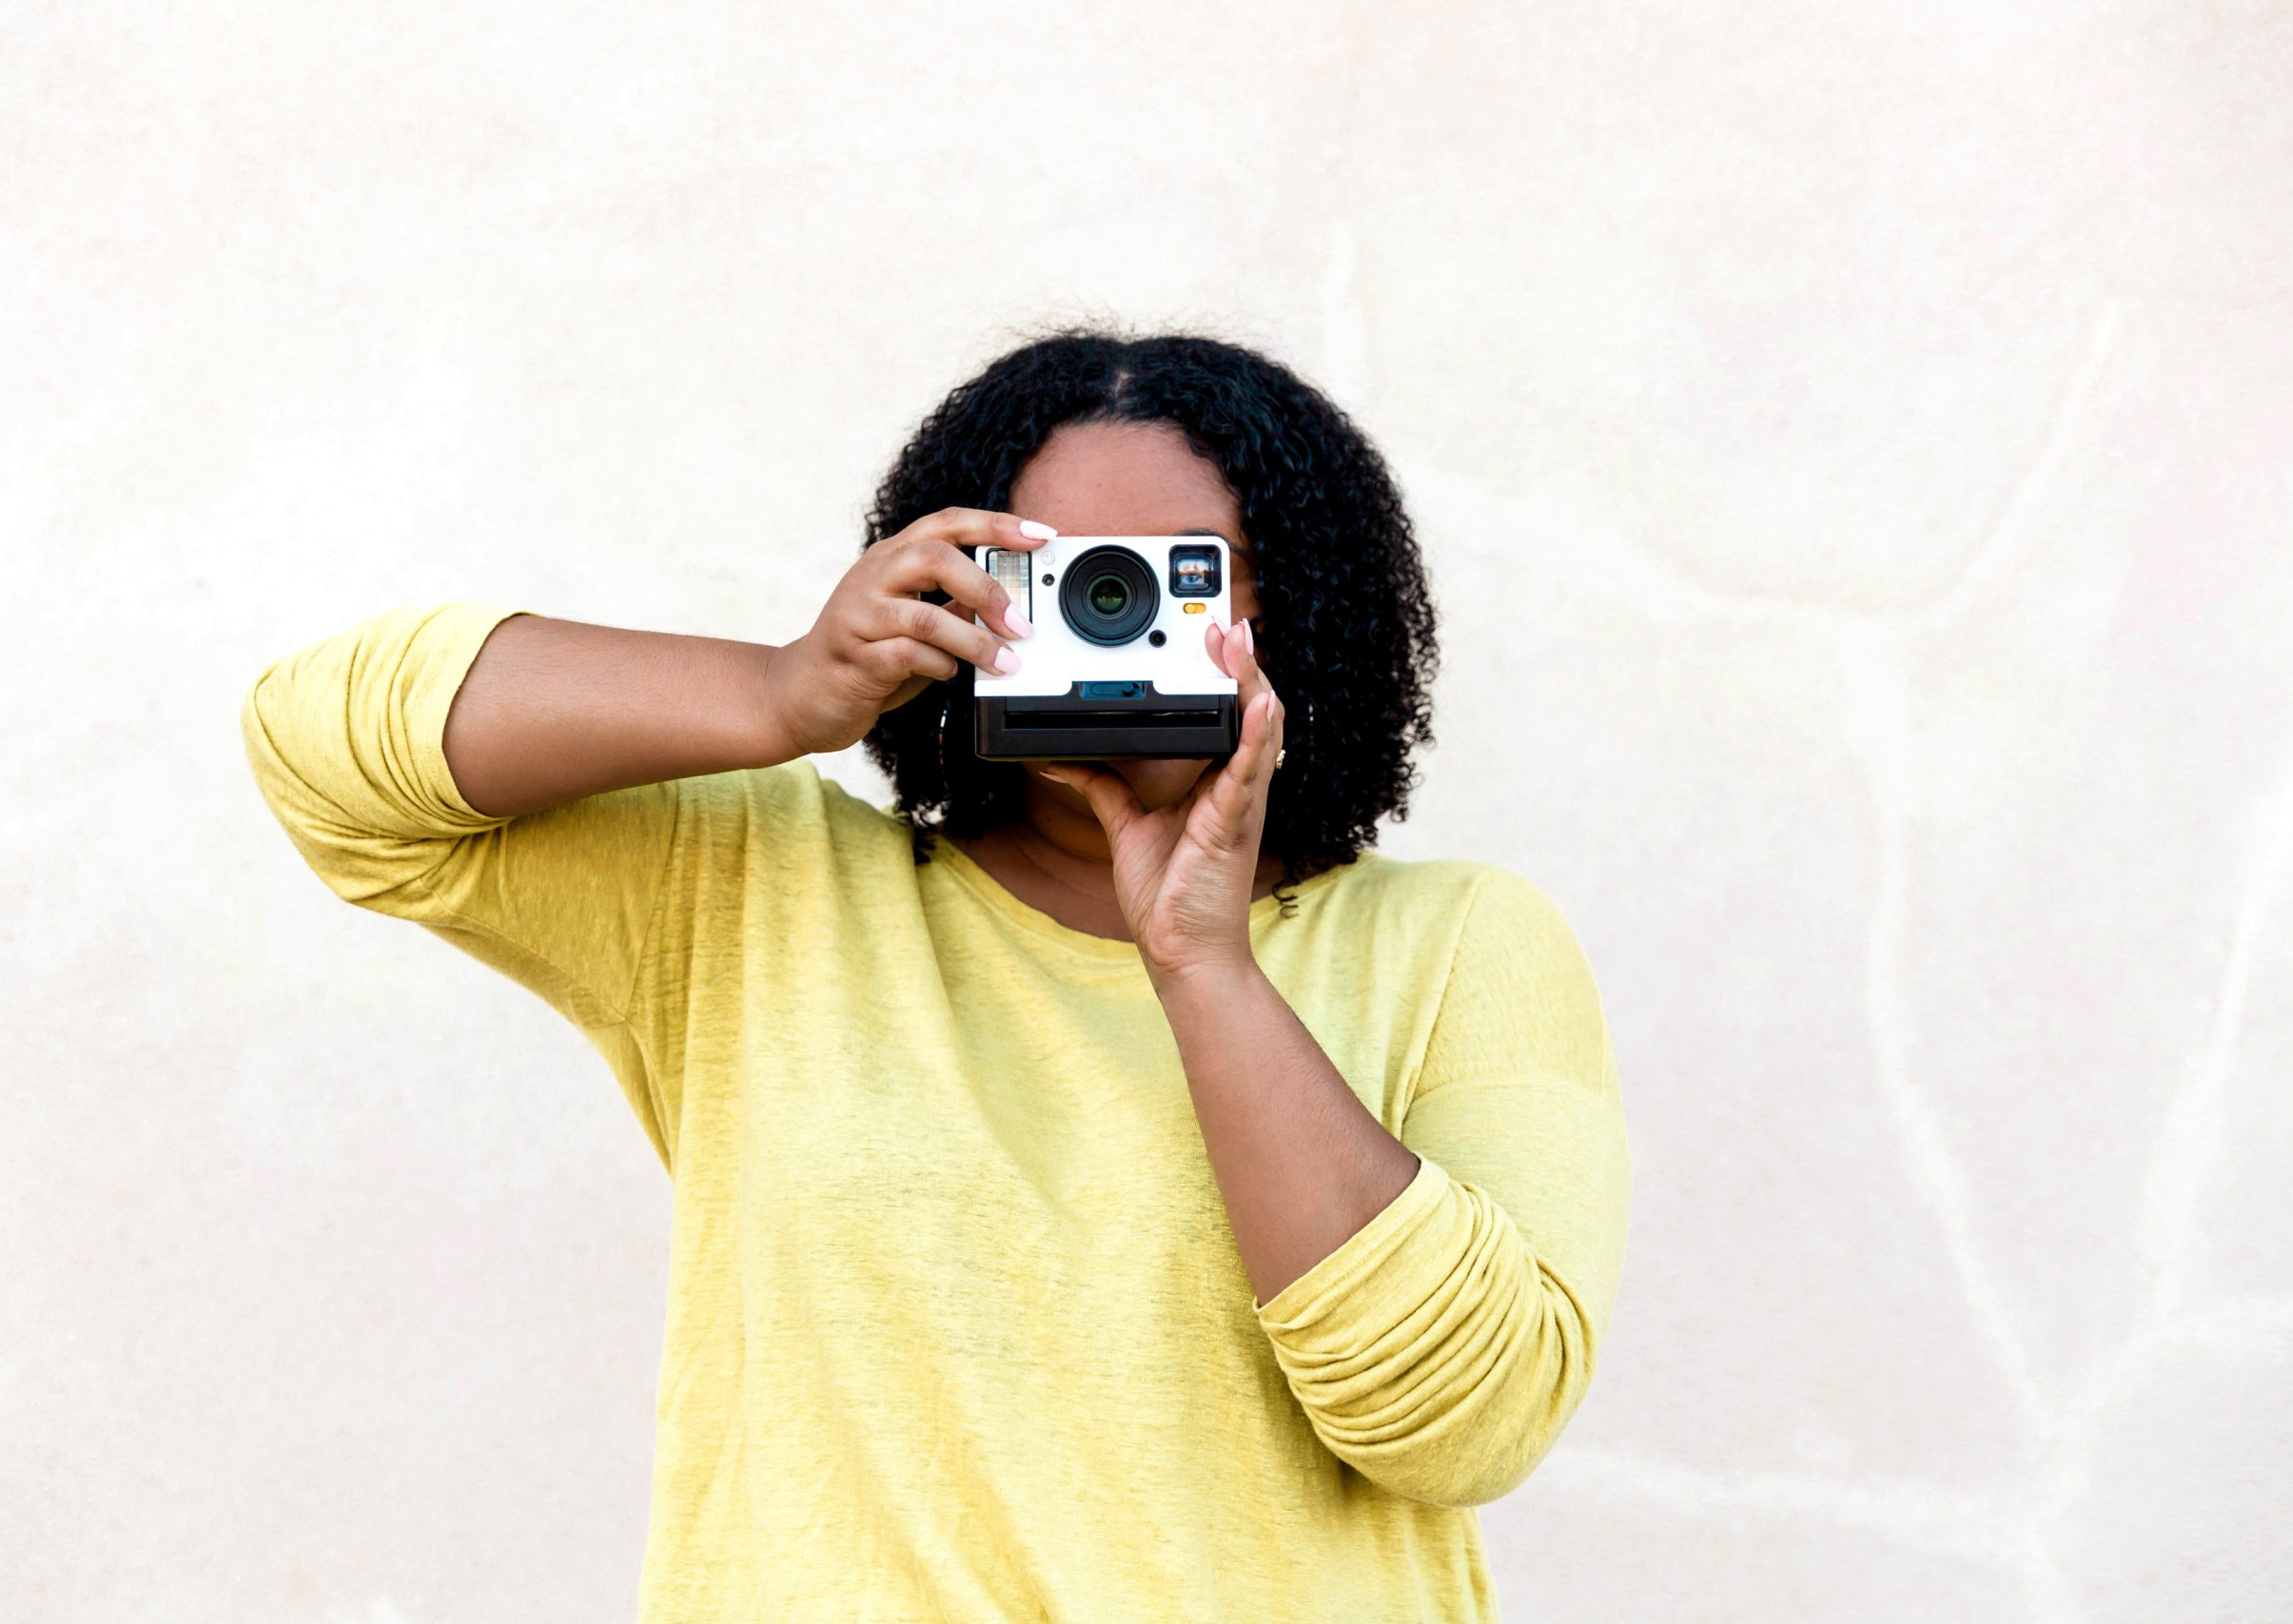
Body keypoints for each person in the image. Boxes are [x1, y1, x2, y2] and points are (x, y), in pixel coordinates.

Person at [240, 330, 1632, 1622]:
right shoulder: (766, 894)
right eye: (1055, 575)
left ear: (1296, 610)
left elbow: (1468, 1417)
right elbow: (327, 753)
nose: (1106, 614)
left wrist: (1204, 964)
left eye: (1168, 575)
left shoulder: (1457, 942)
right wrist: (779, 693)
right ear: (954, 596)